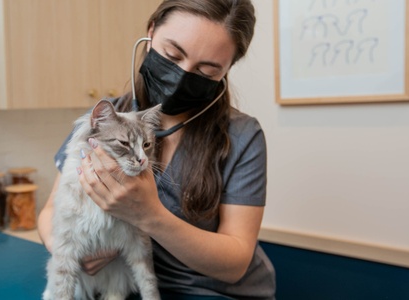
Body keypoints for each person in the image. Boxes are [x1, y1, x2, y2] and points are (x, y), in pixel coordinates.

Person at [38, 0, 276, 299]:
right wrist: (68, 251)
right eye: (172, 54)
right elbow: (50, 211)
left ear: (227, 69)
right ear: (151, 32)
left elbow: (236, 263)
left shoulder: (242, 136)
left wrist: (149, 215)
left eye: (206, 69)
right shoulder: (104, 121)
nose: (182, 75)